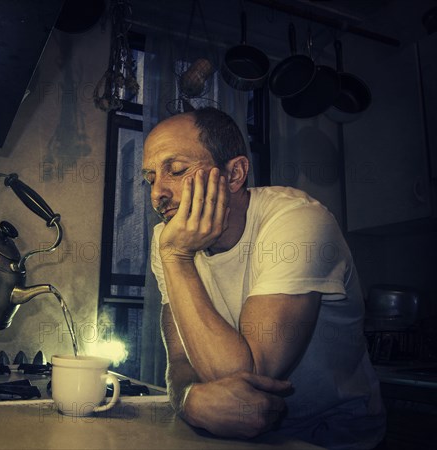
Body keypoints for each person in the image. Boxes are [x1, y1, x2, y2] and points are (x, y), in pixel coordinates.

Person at [142, 107, 385, 449]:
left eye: (177, 170)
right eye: (150, 177)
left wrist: (177, 259)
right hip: (243, 439)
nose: (157, 194)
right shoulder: (168, 239)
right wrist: (186, 399)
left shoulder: (298, 221)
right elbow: (181, 361)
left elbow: (249, 378)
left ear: (235, 173)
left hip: (334, 437)